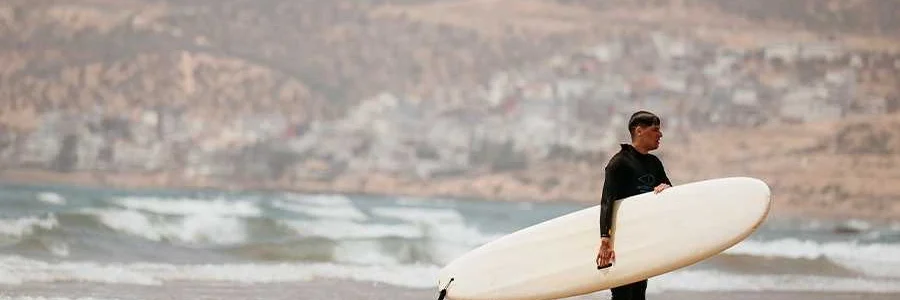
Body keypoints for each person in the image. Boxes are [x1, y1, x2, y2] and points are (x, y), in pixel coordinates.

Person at [596, 110, 672, 300]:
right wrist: (605, 241)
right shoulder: (619, 163)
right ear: (639, 131)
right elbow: (607, 201)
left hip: (642, 239)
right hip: (621, 241)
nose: (660, 135)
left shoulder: (654, 163)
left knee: (639, 295)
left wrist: (667, 188)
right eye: (655, 130)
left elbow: (669, 192)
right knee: (622, 296)